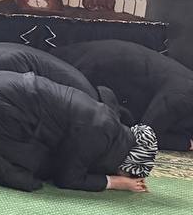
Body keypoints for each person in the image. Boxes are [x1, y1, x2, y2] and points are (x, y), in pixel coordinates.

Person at [0, 71, 157, 192]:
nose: (125, 174)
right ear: (129, 159)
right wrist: (115, 182)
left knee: (38, 159)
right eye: (128, 171)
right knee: (25, 178)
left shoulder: (109, 125)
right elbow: (67, 178)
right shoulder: (99, 133)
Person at [55, 40, 193, 151]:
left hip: (101, 70)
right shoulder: (184, 96)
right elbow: (141, 137)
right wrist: (185, 144)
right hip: (91, 67)